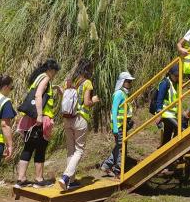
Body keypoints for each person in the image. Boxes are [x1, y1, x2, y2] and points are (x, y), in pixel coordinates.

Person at [15, 59, 60, 189]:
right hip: (40, 119)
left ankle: (21, 178)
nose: (55, 74)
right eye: (55, 72)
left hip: (29, 119)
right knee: (40, 148)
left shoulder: (37, 78)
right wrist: (40, 115)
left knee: (28, 147)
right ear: (51, 70)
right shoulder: (45, 78)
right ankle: (39, 179)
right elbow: (38, 95)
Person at [58, 59, 99, 191]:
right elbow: (86, 103)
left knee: (70, 150)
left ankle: (71, 181)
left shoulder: (72, 83)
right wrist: (94, 100)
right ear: (88, 70)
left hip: (67, 119)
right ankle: (65, 177)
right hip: (80, 119)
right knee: (79, 150)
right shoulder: (87, 83)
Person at [100, 71, 135, 179]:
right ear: (122, 82)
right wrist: (115, 127)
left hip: (123, 125)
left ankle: (106, 165)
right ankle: (118, 171)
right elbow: (114, 111)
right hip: (119, 126)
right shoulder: (119, 94)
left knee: (120, 146)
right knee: (121, 148)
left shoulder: (124, 93)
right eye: (128, 81)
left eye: (130, 82)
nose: (130, 83)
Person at [155, 64, 179, 145]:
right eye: (176, 75)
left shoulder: (175, 84)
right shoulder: (165, 83)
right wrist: (159, 114)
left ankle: (164, 150)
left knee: (167, 135)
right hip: (165, 113)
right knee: (179, 128)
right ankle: (173, 147)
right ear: (170, 74)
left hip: (172, 114)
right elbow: (159, 99)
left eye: (179, 75)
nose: (177, 77)